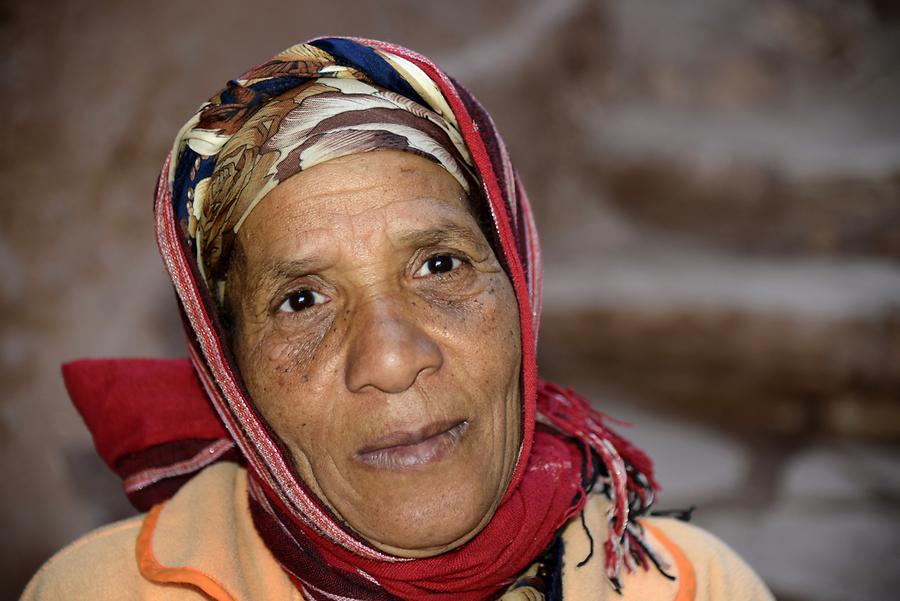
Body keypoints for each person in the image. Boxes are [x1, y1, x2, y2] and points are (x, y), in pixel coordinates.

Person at [22, 37, 773, 600]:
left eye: (439, 265)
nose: (389, 357)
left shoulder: (694, 584)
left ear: (519, 288)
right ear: (232, 372)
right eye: (301, 300)